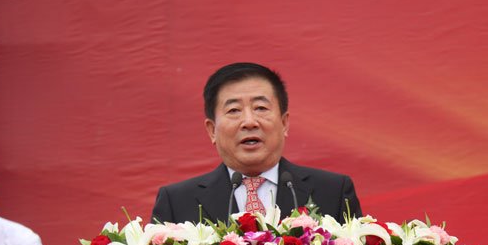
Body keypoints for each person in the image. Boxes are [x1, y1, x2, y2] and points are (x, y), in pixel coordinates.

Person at [151, 62, 362, 224]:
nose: (249, 122)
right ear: (212, 130)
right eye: (233, 110)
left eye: (261, 108)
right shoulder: (176, 202)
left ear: (284, 123)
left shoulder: (333, 192)